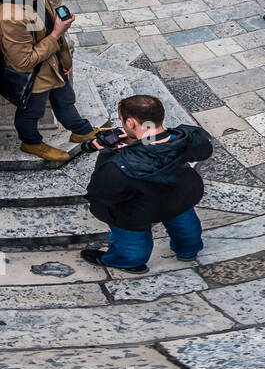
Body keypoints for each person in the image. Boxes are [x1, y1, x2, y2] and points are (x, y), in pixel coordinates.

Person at [78, 94, 213, 275]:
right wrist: (137, 142)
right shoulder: (189, 137)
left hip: (141, 208)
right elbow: (160, 149)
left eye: (123, 120)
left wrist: (108, 153)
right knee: (184, 222)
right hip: (182, 194)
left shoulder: (119, 164)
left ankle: (129, 262)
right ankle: (188, 250)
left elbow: (101, 192)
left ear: (131, 123)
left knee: (131, 235)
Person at [3, 0, 91, 164]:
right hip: (33, 77)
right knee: (31, 112)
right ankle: (31, 142)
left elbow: (52, 29)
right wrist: (57, 33)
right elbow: (23, 61)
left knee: (66, 100)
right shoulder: (11, 16)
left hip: (53, 65)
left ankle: (82, 132)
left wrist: (65, 60)